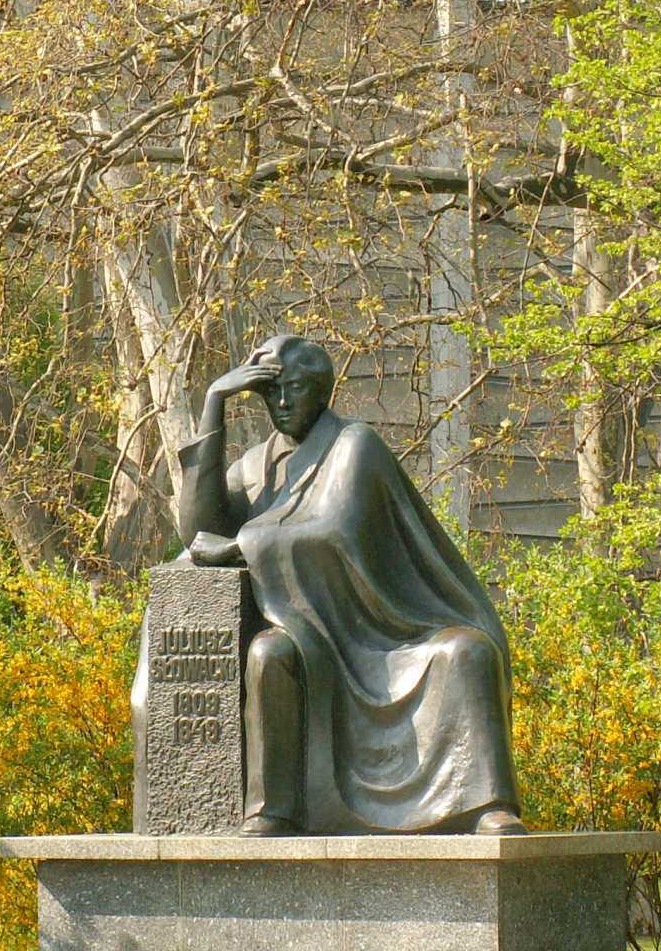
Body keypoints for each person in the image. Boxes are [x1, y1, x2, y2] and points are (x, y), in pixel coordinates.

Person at [158, 334, 524, 836]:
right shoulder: (255, 467)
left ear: (321, 391)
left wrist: (240, 546)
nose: (282, 403)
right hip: (305, 631)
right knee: (268, 654)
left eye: (295, 388)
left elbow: (336, 531)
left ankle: (486, 804)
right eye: (271, 392)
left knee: (467, 653)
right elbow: (199, 531)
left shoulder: (354, 443)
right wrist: (213, 404)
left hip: (378, 630)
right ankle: (271, 811)